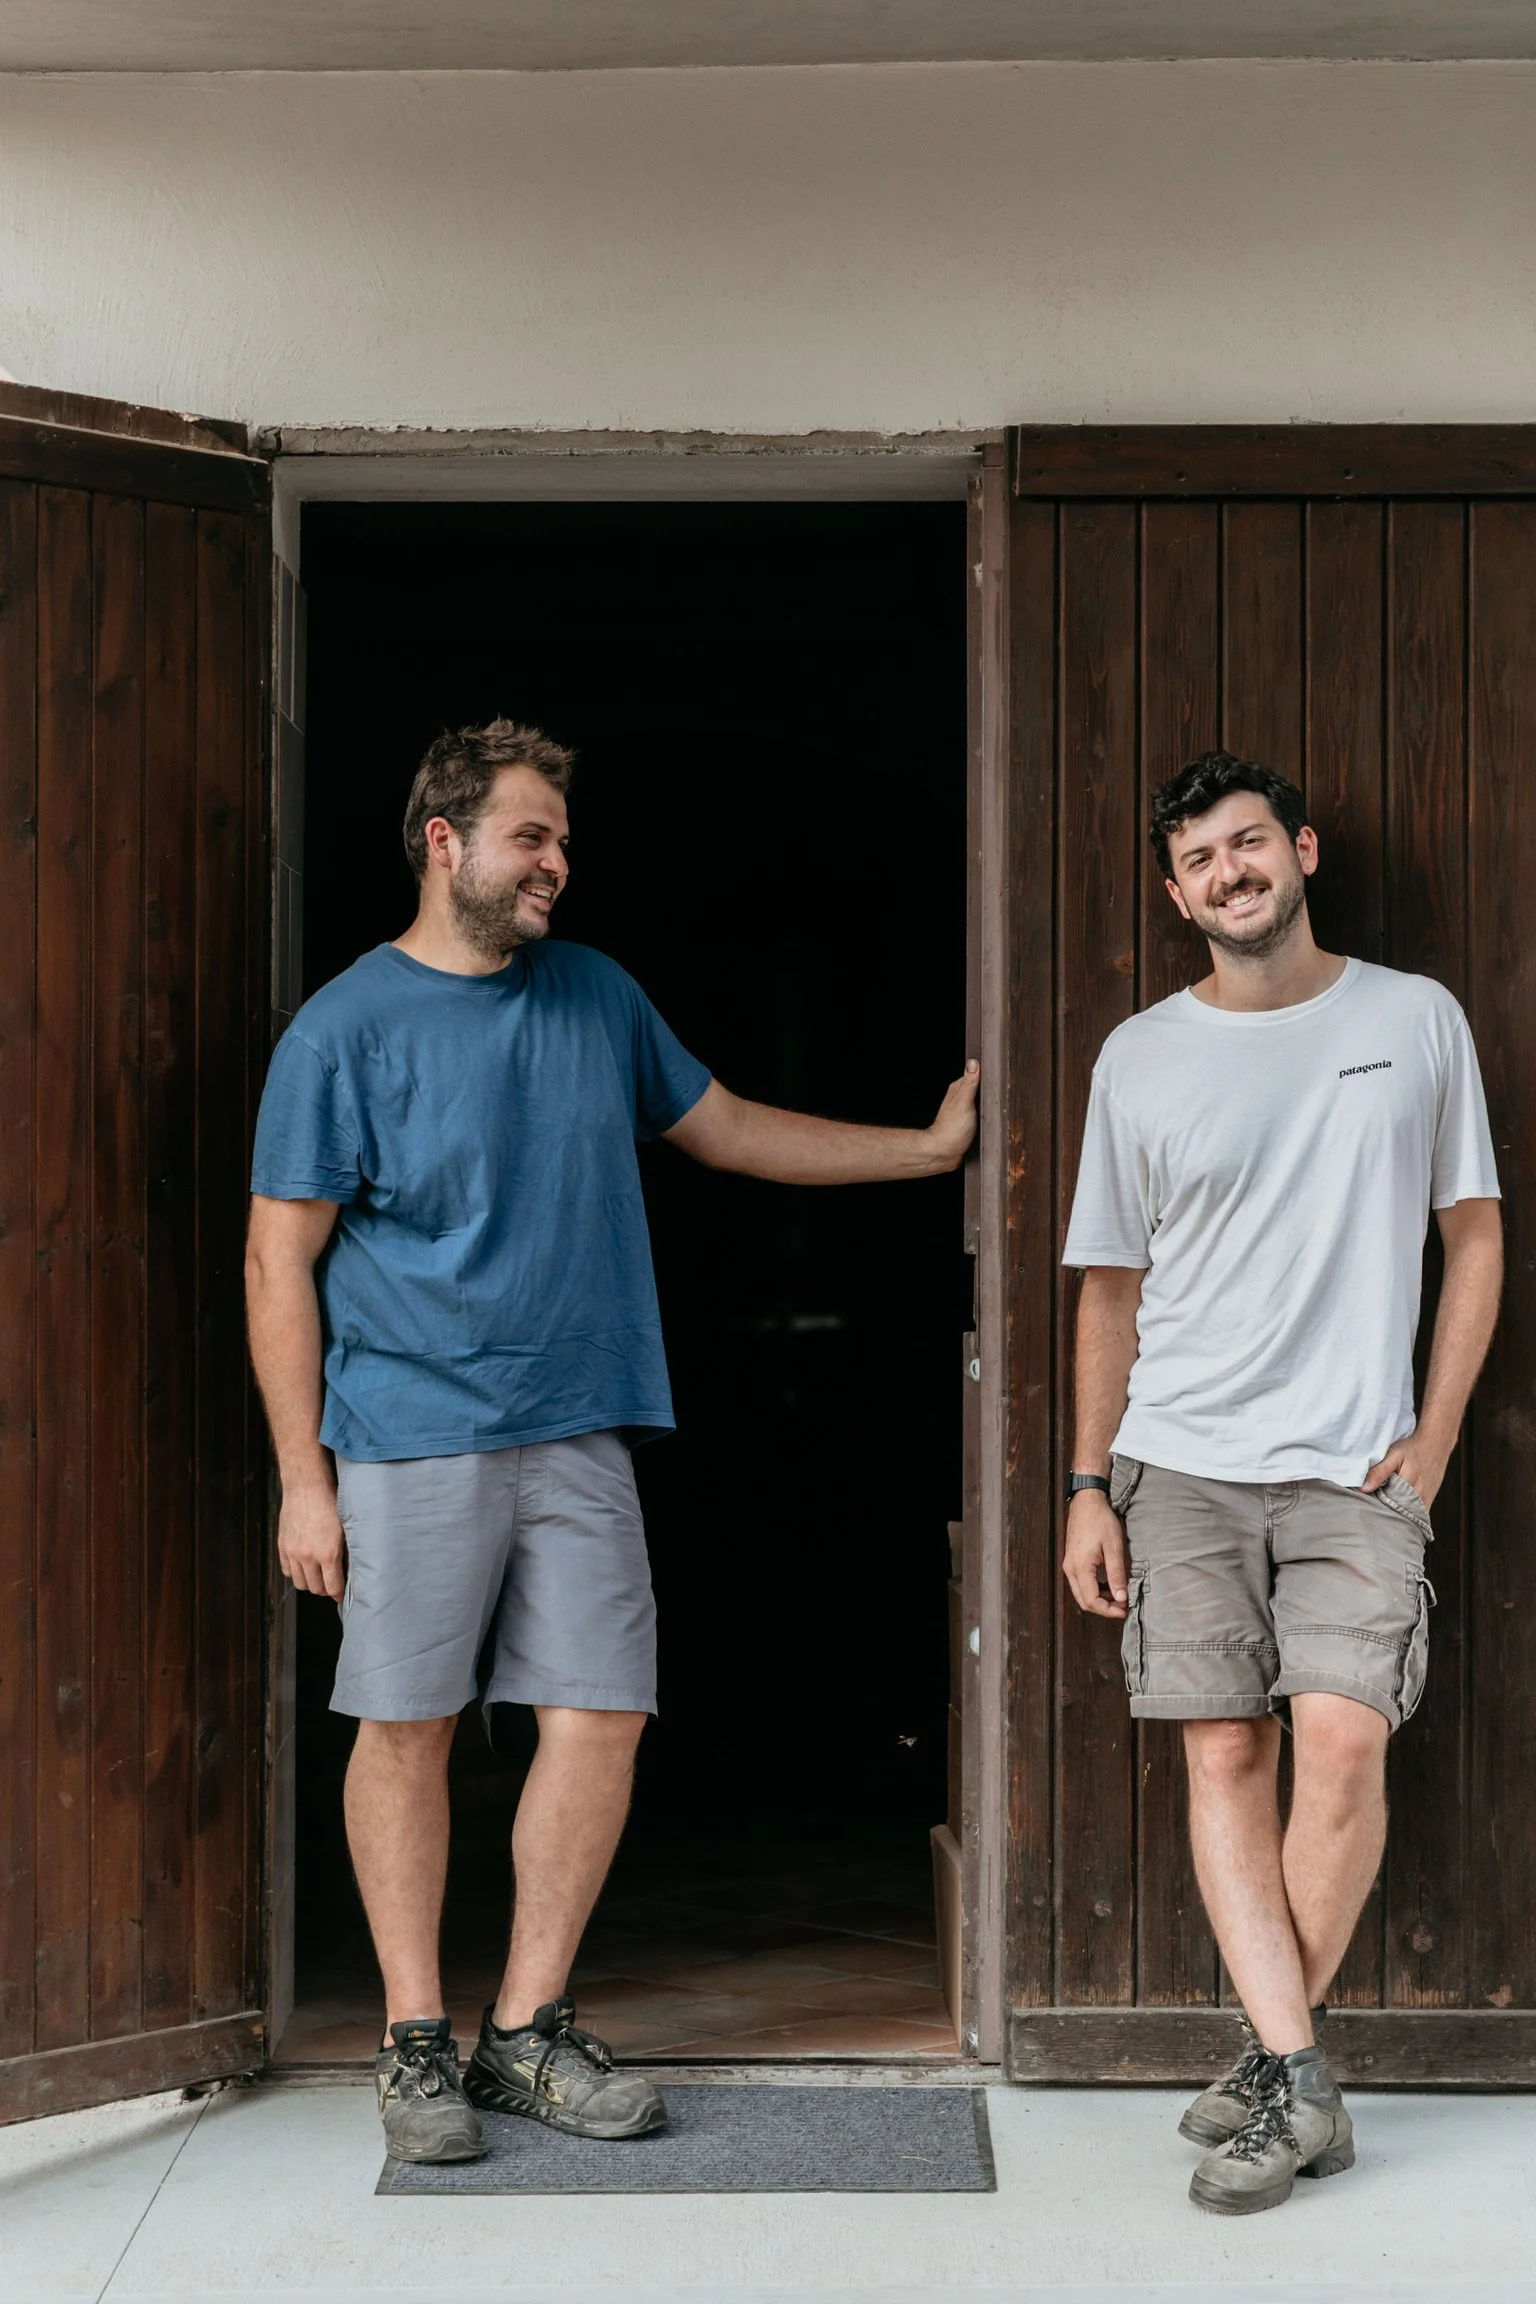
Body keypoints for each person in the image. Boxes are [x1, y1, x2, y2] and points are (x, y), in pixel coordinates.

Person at [246, 717, 978, 2164]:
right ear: (443, 841)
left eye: (564, 842)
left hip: (580, 1430)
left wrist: (923, 1151)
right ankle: (413, 2045)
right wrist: (301, 1480)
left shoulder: (596, 996)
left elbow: (728, 1130)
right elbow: (280, 1262)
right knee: (406, 1731)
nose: (557, 867)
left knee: (601, 1716)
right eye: (532, 838)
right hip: (406, 1433)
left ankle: (524, 2031)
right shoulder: (344, 1030)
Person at [1061, 749, 1502, 2217]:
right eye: (1198, 860)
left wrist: (1432, 1443)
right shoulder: (1140, 1054)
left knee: (1346, 1741)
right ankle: (1302, 2081)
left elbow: (1477, 1238)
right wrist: (1085, 1480)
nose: (1228, 874)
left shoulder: (1413, 1018)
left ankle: (1271, 2070)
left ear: (1301, 851)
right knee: (1221, 1755)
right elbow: (1109, 1288)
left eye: (1248, 844)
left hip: (1355, 1463)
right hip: (1177, 1456)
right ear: (1176, 892)